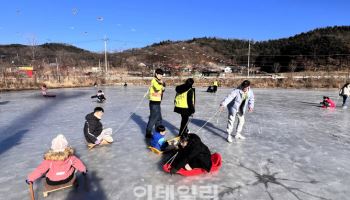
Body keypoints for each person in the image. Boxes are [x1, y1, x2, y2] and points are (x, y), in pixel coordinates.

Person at [145, 68, 165, 138]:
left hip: (157, 102)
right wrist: (162, 85)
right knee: (153, 118)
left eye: (162, 75)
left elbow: (162, 89)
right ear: (156, 74)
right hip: (154, 103)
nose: (161, 76)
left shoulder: (159, 81)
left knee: (159, 118)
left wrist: (162, 86)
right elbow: (157, 87)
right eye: (160, 75)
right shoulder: (154, 80)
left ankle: (158, 131)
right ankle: (148, 133)